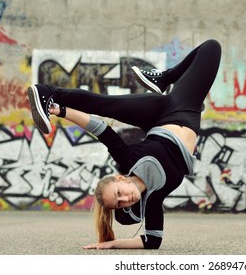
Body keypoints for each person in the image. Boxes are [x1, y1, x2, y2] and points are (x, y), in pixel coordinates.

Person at [27, 39, 221, 249]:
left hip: (163, 110)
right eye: (119, 204)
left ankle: (49, 92)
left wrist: (62, 111)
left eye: (119, 194)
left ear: (121, 179)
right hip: (187, 110)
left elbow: (100, 129)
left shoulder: (128, 161)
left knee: (106, 105)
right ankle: (164, 78)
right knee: (212, 48)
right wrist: (111, 244)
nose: (125, 200)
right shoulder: (154, 198)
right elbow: (152, 241)